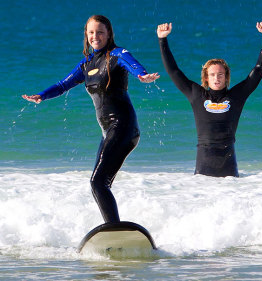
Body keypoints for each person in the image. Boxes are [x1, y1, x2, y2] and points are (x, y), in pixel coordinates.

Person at [22, 15, 159, 223]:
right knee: (99, 183)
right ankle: (114, 229)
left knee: (97, 183)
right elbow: (62, 85)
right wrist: (42, 95)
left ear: (109, 34)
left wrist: (142, 75)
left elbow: (132, 64)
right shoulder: (87, 63)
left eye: (100, 32)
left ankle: (114, 228)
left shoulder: (117, 54)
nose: (95, 36)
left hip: (123, 125)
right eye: (91, 32)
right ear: (86, 35)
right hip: (108, 132)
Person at [157, 21, 262, 177]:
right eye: (212, 75)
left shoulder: (236, 96)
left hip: (229, 167)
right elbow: (173, 71)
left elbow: (259, 69)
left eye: (220, 74)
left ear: (226, 77)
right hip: (203, 167)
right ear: (206, 78)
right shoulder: (196, 94)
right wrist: (162, 39)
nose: (216, 78)